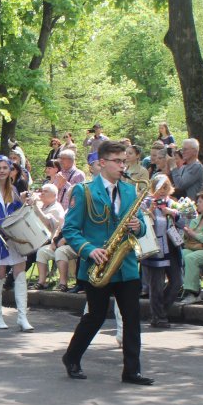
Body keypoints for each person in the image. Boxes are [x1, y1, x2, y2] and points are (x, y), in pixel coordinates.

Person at [60, 141, 153, 385]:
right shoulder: (84, 191)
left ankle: (132, 371)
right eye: (118, 161)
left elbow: (141, 225)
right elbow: (70, 229)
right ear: (102, 163)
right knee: (96, 316)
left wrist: (138, 226)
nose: (123, 166)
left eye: (125, 161)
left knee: (132, 318)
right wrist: (89, 250)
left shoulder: (131, 190)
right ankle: (71, 357)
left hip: (126, 265)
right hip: (98, 264)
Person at [0, 155, 33, 331]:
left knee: (20, 275)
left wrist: (26, 203)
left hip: (14, 238)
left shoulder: (14, 189)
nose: (3, 171)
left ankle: (22, 317)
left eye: (5, 167)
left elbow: (19, 212)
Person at [141, 174, 183, 327]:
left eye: (166, 187)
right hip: (155, 248)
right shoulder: (146, 203)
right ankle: (158, 316)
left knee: (177, 281)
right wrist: (151, 212)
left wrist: (173, 213)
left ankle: (159, 311)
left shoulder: (173, 203)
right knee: (156, 285)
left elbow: (187, 220)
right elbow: (142, 224)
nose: (163, 191)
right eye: (160, 187)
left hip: (172, 247)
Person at [32, 183, 67, 290]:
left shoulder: (56, 208)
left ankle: (13, 276)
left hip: (51, 241)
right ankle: (42, 281)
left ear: (54, 195)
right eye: (41, 190)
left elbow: (47, 222)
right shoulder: (43, 205)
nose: (42, 193)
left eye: (45, 191)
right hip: (39, 239)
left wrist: (35, 206)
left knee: (31, 251)